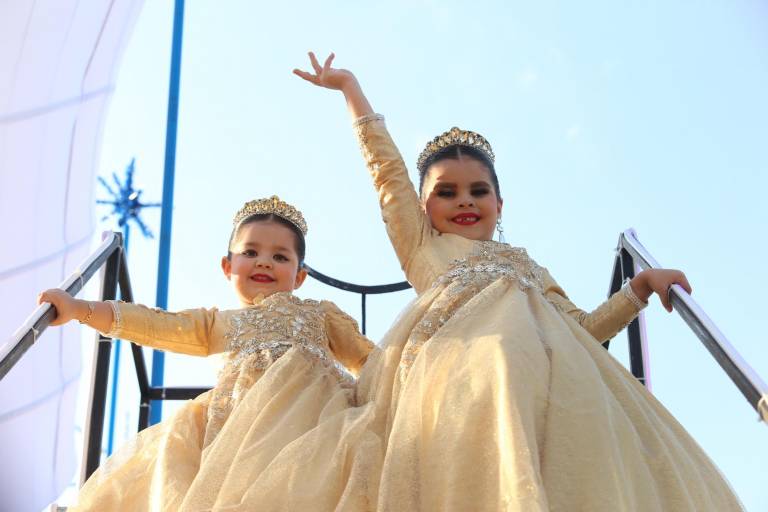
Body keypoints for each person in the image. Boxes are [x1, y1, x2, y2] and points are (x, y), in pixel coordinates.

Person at [291, 52, 744, 511]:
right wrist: (350, 89)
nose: (463, 201)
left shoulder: (527, 268)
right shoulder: (422, 246)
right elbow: (386, 172)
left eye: (478, 191)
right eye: (445, 192)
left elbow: (583, 330)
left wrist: (639, 287)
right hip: (465, 369)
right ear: (423, 207)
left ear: (499, 204)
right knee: (499, 363)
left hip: (542, 383)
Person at [39, 195, 378, 511]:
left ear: (299, 276)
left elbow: (371, 362)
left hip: (316, 423)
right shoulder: (217, 323)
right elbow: (156, 324)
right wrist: (78, 308)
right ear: (226, 266)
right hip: (238, 430)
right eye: (250, 252)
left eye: (280, 256)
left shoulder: (320, 314)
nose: (264, 261)